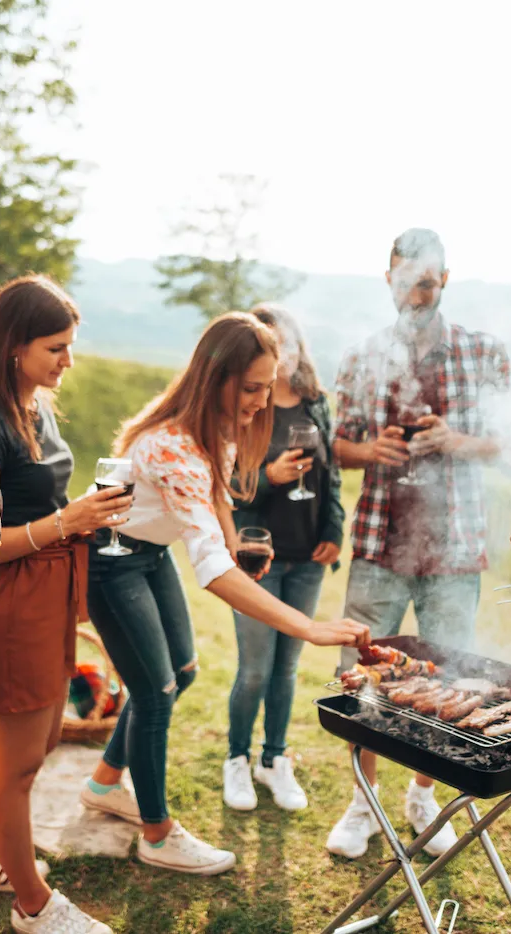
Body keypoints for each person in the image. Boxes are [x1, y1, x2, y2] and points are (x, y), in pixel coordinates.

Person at [78, 312, 369, 874]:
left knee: (181, 672)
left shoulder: (221, 433)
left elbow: (216, 500)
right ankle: (157, 835)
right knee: (157, 693)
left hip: (151, 555)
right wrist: (307, 627)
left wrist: (235, 544)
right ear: (219, 380)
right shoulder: (170, 446)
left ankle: (105, 782)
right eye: (255, 387)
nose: (265, 401)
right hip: (112, 562)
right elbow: (211, 572)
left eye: (268, 385)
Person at [0, 275, 129, 934]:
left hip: (50, 591)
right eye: (56, 347)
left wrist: (85, 515)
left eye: (69, 346)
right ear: (13, 346)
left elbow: (37, 503)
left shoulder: (35, 405)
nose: (68, 361)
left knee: (40, 742)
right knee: (16, 763)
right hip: (7, 604)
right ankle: (31, 903)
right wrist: (65, 521)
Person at [325, 229, 511, 860]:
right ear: (389, 281)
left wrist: (454, 440)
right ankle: (362, 804)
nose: (416, 295)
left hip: (454, 550)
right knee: (363, 676)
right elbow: (335, 445)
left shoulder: (483, 352)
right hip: (379, 544)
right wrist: (365, 449)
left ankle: (423, 795)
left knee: (449, 675)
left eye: (426, 284)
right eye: (405, 284)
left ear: (445, 281)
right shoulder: (360, 356)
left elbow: (510, 442)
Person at [222, 303, 344, 813]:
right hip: (256, 558)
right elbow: (225, 491)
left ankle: (275, 759)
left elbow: (330, 472)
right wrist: (268, 480)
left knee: (287, 669)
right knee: (254, 668)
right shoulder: (246, 405)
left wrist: (335, 528)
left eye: (283, 343)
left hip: (308, 558)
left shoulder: (315, 402)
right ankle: (237, 759)